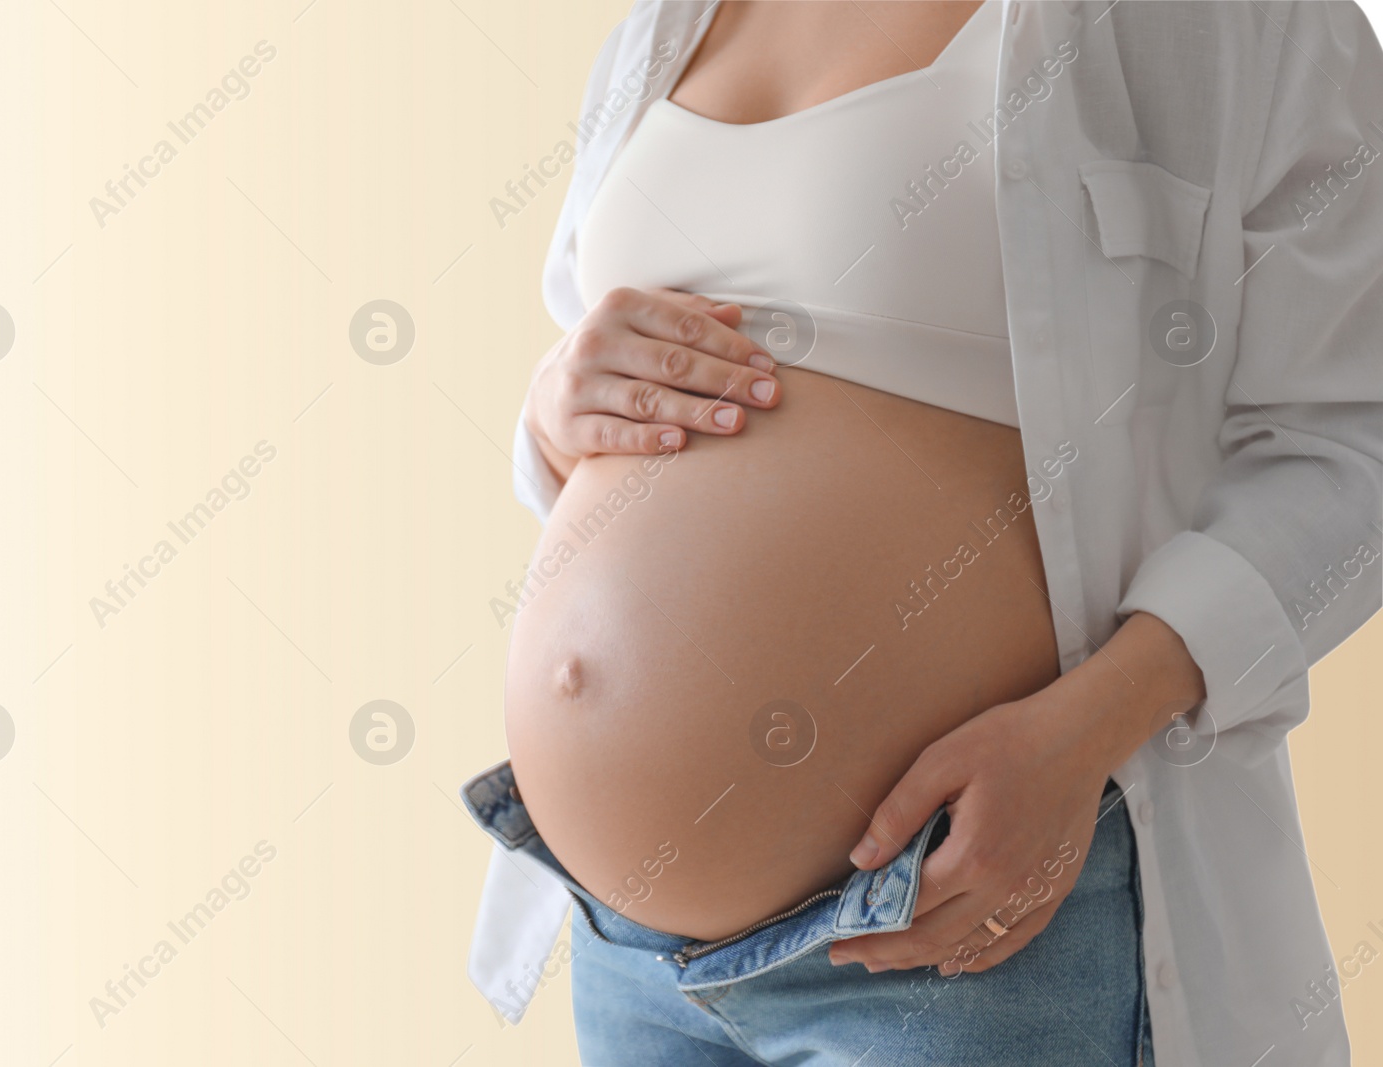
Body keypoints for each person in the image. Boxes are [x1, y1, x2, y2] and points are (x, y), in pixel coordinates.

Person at [461, 2, 1383, 1065]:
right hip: (628, 958)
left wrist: (1086, 729)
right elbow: (597, 377)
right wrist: (554, 405)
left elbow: (1352, 438)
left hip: (966, 926)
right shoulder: (665, 23)